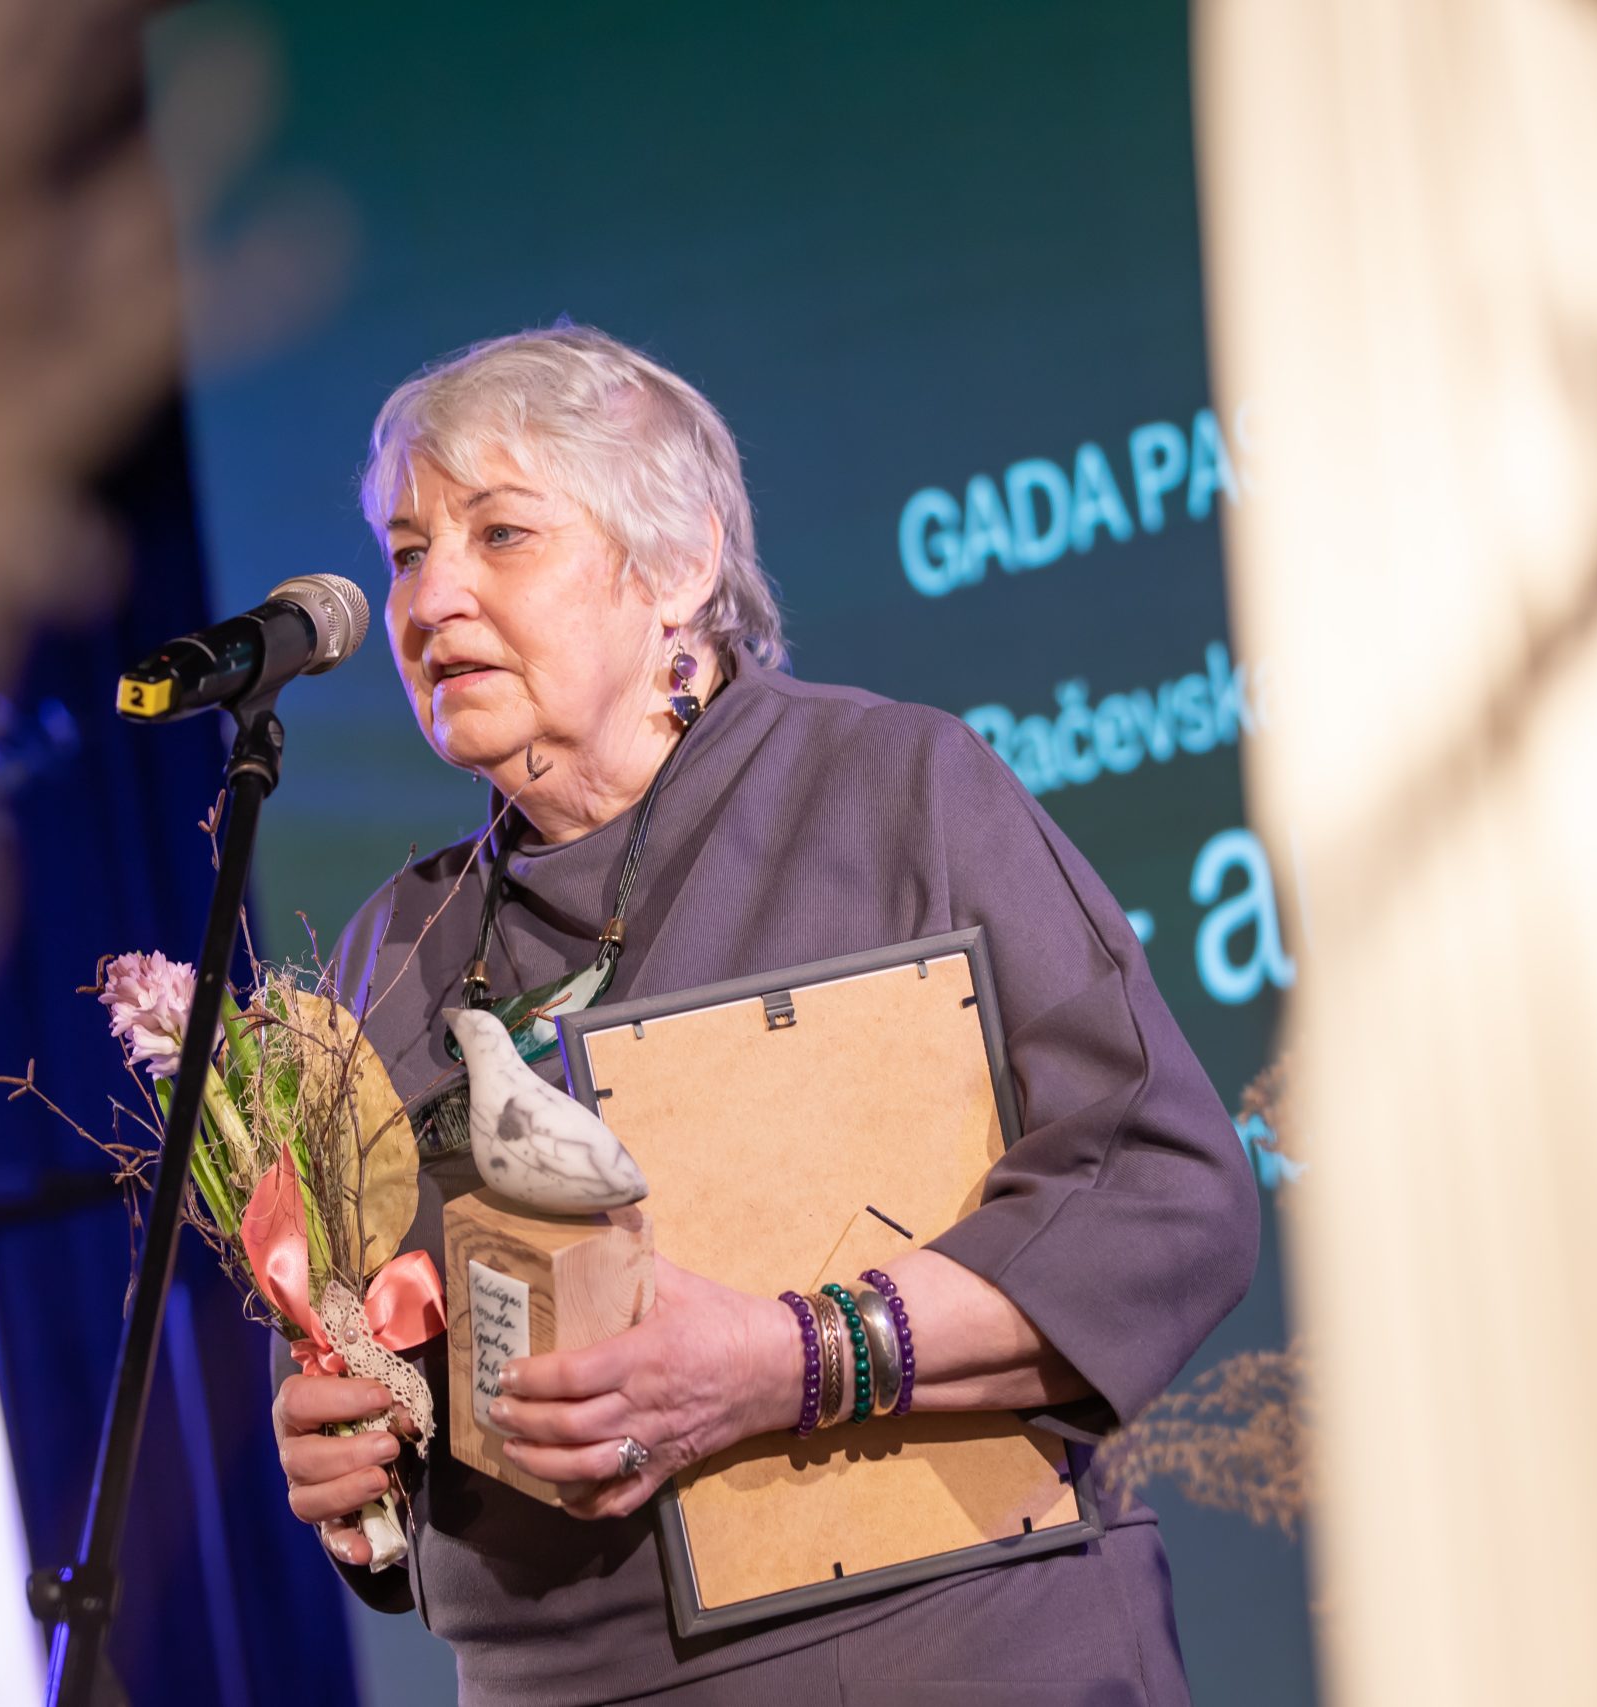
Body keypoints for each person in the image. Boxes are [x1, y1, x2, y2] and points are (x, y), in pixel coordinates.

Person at [269, 324, 1258, 1706]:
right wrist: (350, 1455)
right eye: (406, 552)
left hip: (948, 1657)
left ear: (677, 566)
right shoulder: (390, 951)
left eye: (501, 534)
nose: (432, 599)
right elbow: (382, 1365)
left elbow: (1159, 1194)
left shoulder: (896, 791)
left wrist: (784, 1360)